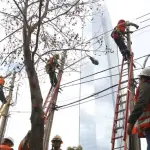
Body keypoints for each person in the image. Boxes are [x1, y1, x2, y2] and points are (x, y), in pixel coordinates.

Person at [127, 67, 150, 150]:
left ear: (143, 78)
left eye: (140, 78)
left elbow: (141, 103)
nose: (139, 81)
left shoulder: (146, 85)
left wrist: (131, 122)